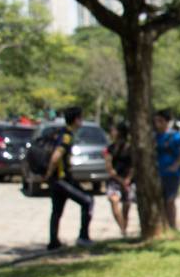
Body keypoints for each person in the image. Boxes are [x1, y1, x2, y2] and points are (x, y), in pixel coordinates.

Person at [45, 106, 93, 250]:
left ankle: (53, 242)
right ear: (76, 119)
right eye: (81, 118)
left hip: (58, 180)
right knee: (87, 201)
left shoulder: (63, 133)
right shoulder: (66, 136)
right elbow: (56, 156)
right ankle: (83, 237)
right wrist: (49, 173)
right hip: (61, 180)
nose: (82, 121)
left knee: (57, 211)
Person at [153, 109, 180, 230]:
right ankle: (163, 226)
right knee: (160, 202)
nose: (157, 124)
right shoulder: (153, 136)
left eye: (160, 121)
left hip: (171, 174)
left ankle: (173, 226)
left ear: (167, 122)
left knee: (169, 201)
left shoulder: (174, 136)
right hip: (157, 174)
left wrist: (175, 166)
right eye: (156, 121)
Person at [104, 121, 134, 237]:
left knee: (126, 207)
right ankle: (122, 229)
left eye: (114, 130)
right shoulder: (109, 149)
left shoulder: (130, 148)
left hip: (128, 180)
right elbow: (109, 167)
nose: (112, 132)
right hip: (114, 180)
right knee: (114, 200)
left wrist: (128, 178)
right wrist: (119, 179)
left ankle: (124, 229)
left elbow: (134, 165)